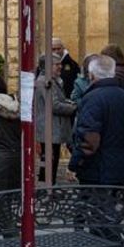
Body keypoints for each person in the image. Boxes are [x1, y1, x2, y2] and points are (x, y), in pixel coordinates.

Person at [69, 54, 124, 247]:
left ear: (91, 75)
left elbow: (89, 139)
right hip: (119, 167)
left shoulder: (94, 99)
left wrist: (76, 162)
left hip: (98, 169)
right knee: (104, 216)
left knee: (100, 218)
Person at [35, 54, 78, 184]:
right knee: (49, 161)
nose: (60, 67)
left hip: (53, 128)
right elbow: (54, 105)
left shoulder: (53, 81)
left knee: (52, 160)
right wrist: (74, 107)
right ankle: (46, 187)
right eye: (56, 64)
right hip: (50, 128)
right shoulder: (44, 82)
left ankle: (49, 185)